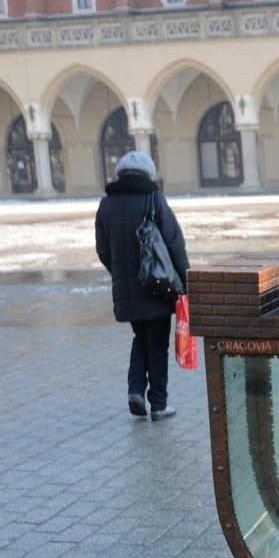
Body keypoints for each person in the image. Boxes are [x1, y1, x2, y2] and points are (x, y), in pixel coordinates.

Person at [95, 151, 189, 420]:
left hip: (128, 289)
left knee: (140, 338)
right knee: (157, 343)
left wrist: (120, 273)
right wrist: (186, 279)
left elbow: (103, 249)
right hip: (158, 285)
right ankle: (158, 404)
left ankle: (135, 390)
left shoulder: (106, 204)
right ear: (148, 173)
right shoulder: (153, 198)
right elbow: (174, 243)